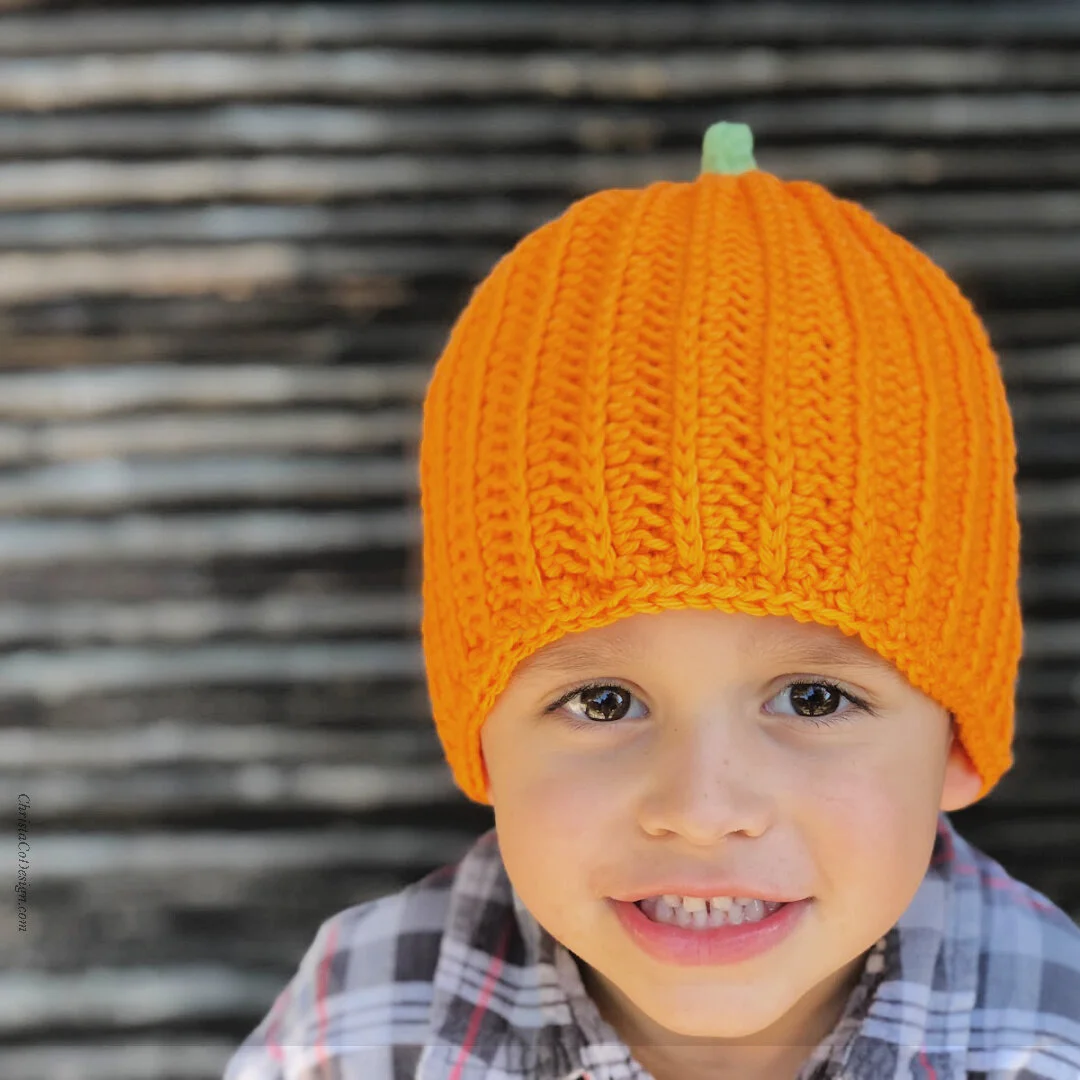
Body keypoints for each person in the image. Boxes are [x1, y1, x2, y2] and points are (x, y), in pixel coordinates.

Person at [222, 121, 1080, 1080]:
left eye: (813, 698)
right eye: (600, 701)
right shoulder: (366, 1015)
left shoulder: (1044, 1034)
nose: (701, 809)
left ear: (959, 741)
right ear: (480, 742)